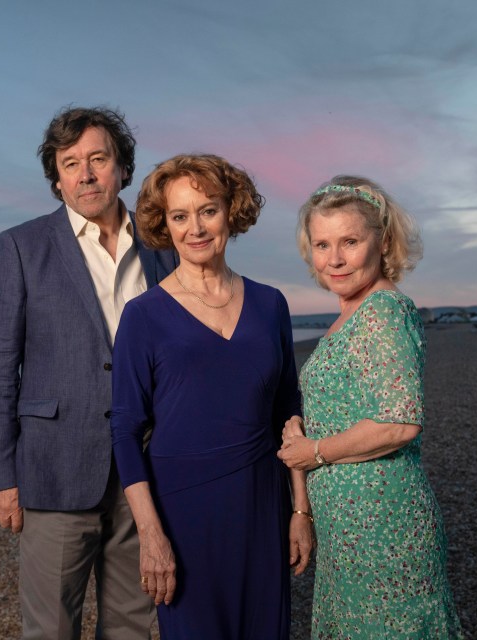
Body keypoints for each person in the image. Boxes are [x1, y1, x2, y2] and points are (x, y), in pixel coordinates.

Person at [0, 106, 176, 640]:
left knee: (133, 624)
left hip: (145, 468)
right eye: (70, 163)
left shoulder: (163, 249)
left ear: (122, 167)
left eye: (97, 158)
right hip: (55, 471)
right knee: (51, 630)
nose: (85, 174)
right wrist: (1, 478)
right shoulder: (21, 247)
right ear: (57, 177)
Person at [111, 154, 314, 639]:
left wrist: (300, 511)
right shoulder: (143, 316)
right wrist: (151, 535)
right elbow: (124, 431)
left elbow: (289, 412)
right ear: (164, 224)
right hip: (182, 516)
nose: (195, 228)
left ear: (232, 211)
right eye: (180, 216)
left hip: (262, 506)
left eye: (208, 210)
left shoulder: (270, 305)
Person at [277, 176, 464, 638]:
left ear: (382, 243)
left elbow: (400, 423)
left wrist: (313, 451)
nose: (334, 259)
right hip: (350, 531)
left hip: (385, 526)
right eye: (322, 244)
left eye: (350, 242)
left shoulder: (383, 310)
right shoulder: (351, 313)